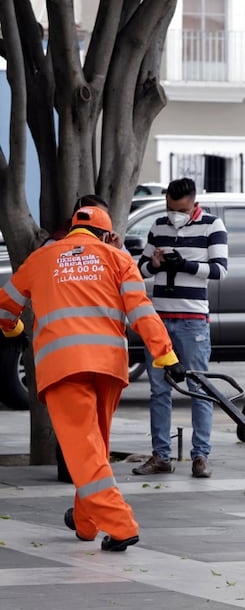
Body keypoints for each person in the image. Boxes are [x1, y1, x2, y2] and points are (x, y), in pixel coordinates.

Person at [0, 205, 186, 551]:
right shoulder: (117, 258)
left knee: (83, 452)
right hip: (109, 367)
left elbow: (4, 306)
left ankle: (120, 524)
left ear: (72, 230)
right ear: (105, 234)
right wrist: (165, 354)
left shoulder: (42, 258)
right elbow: (142, 310)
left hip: (63, 367)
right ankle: (86, 523)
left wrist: (14, 328)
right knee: (93, 447)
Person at [133, 178, 228, 479]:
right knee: (158, 390)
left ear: (193, 202)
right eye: (170, 208)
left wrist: (184, 265)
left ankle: (200, 456)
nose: (174, 214)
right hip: (158, 320)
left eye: (181, 209)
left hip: (192, 321)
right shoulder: (158, 226)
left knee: (199, 388)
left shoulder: (213, 227)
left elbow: (220, 270)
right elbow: (140, 269)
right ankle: (161, 455)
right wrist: (157, 265)